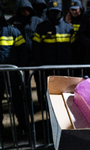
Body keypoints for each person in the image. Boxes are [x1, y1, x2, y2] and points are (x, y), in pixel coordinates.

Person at [32, 0, 74, 105]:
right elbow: (36, 48)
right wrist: (40, 64)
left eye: (57, 12)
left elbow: (75, 49)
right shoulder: (41, 28)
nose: (54, 15)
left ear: (61, 13)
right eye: (52, 12)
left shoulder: (68, 28)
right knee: (47, 94)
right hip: (46, 69)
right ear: (47, 12)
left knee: (63, 94)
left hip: (64, 69)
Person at [0, 2, 28, 133]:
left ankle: (23, 127)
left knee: (18, 102)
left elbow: (22, 53)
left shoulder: (12, 31)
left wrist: (19, 71)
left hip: (12, 75)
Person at [7, 0, 43, 67]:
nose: (25, 11)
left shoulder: (37, 21)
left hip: (35, 56)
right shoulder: (13, 22)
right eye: (22, 9)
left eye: (27, 9)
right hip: (19, 56)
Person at [65, 0, 85, 76]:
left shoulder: (84, 20)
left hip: (82, 52)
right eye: (72, 10)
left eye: (75, 9)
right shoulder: (67, 21)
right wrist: (67, 24)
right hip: (72, 53)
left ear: (80, 8)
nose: (74, 12)